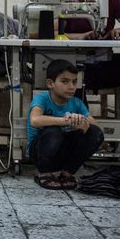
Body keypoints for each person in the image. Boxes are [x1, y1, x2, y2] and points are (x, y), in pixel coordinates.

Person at [28, 59, 104, 190]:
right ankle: (44, 173)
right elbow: (35, 120)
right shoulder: (42, 98)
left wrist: (83, 125)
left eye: (74, 82)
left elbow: (97, 130)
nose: (71, 87)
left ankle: (67, 173)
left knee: (94, 133)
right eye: (65, 81)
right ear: (50, 83)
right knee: (53, 132)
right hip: (40, 152)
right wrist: (65, 121)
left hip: (63, 153)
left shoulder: (77, 103)